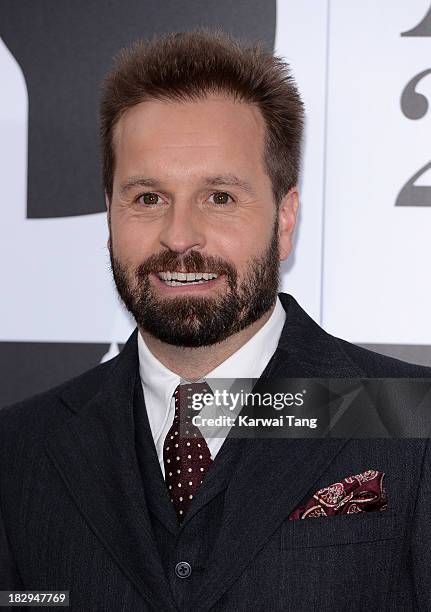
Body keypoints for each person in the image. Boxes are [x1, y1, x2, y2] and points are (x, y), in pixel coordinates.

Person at [1, 30, 430, 612]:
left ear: (285, 220)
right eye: (148, 197)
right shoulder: (20, 448)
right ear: (109, 214)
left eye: (220, 197)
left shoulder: (411, 423)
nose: (179, 236)